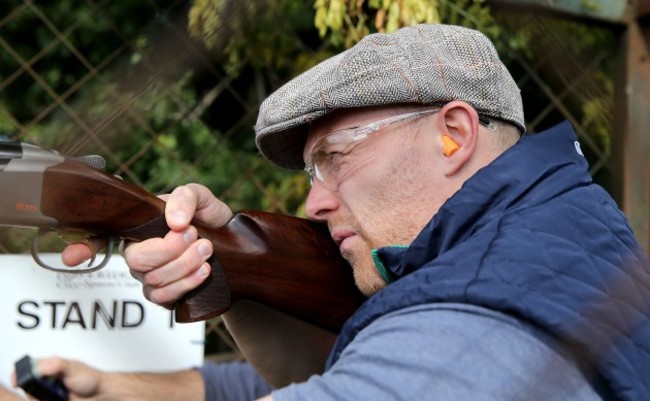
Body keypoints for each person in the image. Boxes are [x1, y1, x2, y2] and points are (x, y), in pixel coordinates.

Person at [16, 24, 650, 401]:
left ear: (453, 134)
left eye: (335, 157)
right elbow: (327, 369)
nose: (314, 202)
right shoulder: (555, 243)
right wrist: (237, 282)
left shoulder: (479, 320)